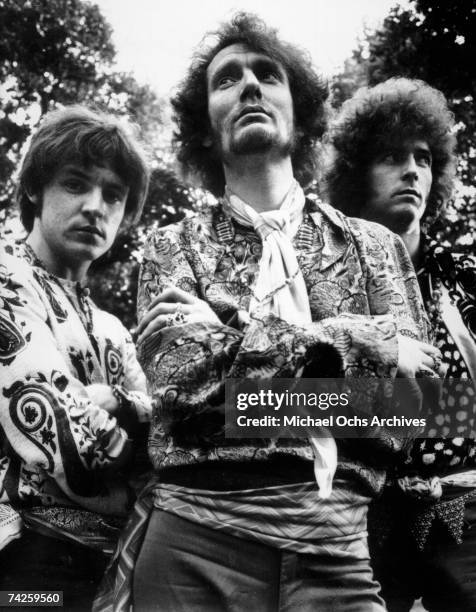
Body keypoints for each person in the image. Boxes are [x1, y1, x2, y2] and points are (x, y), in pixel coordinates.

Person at [95, 16, 439, 612]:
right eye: (227, 79)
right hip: (192, 548)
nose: (250, 86)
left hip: (339, 554)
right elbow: (182, 386)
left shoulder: (375, 247)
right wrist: (367, 348)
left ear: (300, 113)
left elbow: (418, 409)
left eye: (267, 74)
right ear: (205, 129)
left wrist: (235, 358)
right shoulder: (171, 247)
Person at [325, 77, 476, 612]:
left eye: (424, 157)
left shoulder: (467, 280)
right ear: (356, 171)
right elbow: (258, 406)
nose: (413, 169)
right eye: (392, 155)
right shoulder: (317, 281)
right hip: (354, 525)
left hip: (468, 518)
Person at [0, 105, 152, 609]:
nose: (95, 206)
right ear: (34, 190)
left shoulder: (111, 326)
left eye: (113, 194)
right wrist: (140, 426)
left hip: (117, 565)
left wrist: (120, 404)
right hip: (28, 560)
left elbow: (171, 443)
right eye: (75, 184)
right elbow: (81, 455)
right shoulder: (6, 282)